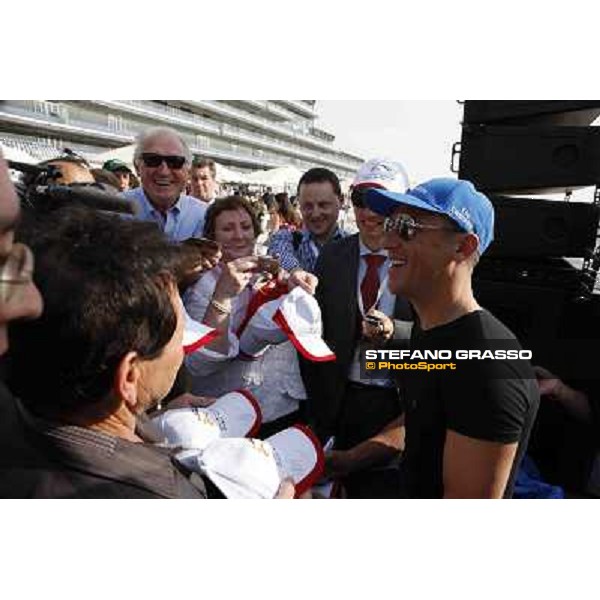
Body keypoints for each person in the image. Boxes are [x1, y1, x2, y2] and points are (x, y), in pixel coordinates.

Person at [365, 178, 540, 498]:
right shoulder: (429, 329)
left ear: (463, 246)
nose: (386, 240)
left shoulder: (488, 367)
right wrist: (349, 460)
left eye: (406, 227)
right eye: (389, 224)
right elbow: (424, 417)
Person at [300, 158, 413, 498]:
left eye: (383, 202)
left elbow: (444, 346)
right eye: (362, 200)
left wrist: (397, 332)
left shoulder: (421, 261)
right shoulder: (334, 256)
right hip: (339, 401)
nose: (370, 211)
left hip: (395, 406)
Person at [184, 196, 317, 436]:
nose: (239, 235)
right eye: (227, 228)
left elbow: (284, 252)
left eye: (245, 227)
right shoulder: (203, 286)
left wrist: (294, 280)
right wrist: (222, 297)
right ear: (213, 238)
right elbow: (199, 365)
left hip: (282, 404)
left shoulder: (271, 270)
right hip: (228, 411)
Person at [124, 127, 206, 241]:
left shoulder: (203, 215)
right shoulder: (114, 211)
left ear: (187, 170)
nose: (164, 172)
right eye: (152, 160)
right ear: (137, 167)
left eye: (175, 161)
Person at [268, 167, 347, 274]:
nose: (315, 214)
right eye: (308, 206)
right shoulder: (289, 238)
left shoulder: (355, 246)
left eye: (323, 205)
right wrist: (295, 271)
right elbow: (278, 250)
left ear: (341, 201)